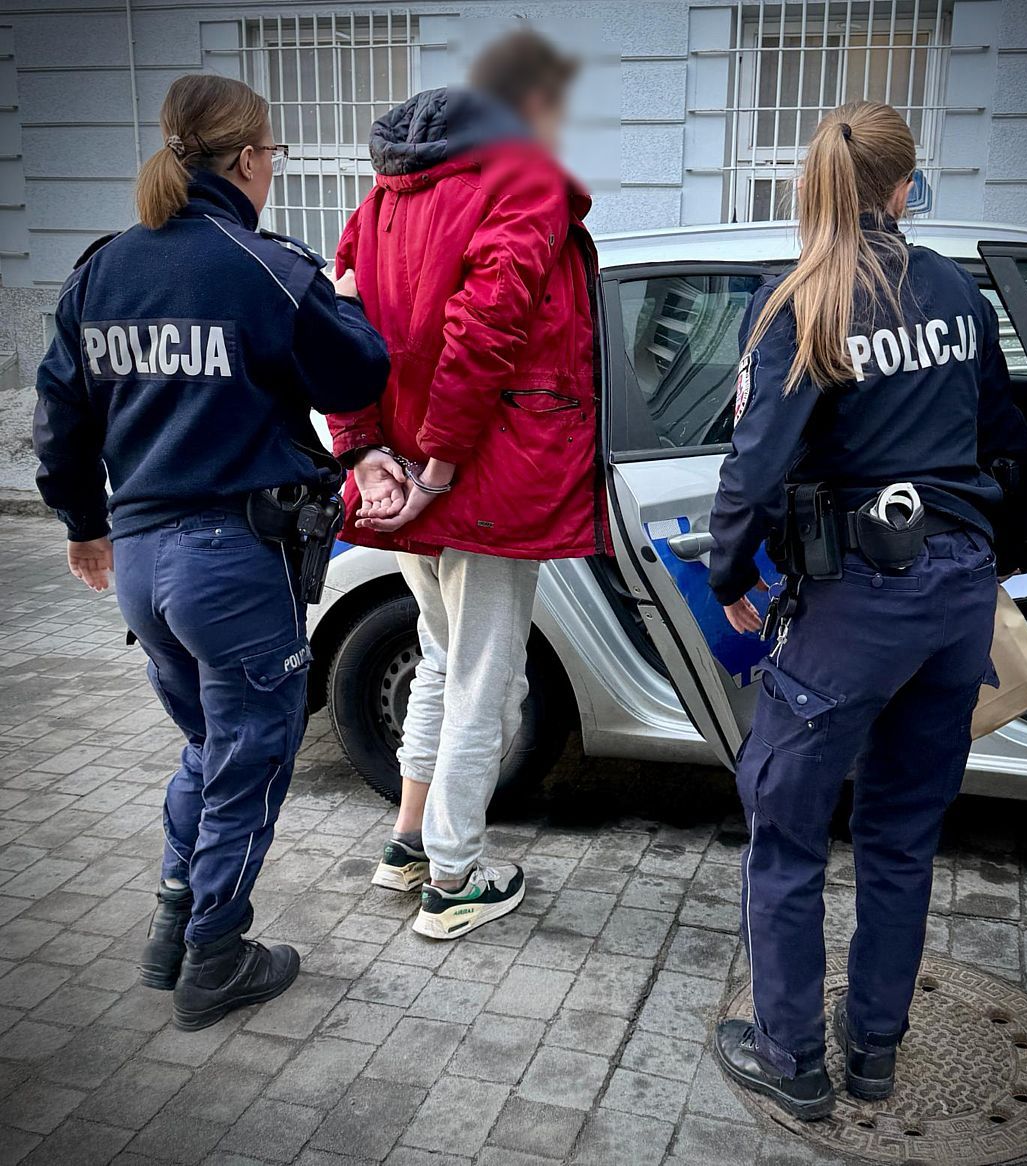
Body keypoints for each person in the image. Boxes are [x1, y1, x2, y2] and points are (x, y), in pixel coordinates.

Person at [32, 74, 390, 1029]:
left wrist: (81, 524)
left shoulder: (101, 269)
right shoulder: (262, 266)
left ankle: (173, 923)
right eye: (273, 154)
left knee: (209, 745)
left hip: (143, 562)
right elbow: (356, 372)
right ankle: (216, 958)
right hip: (230, 562)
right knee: (251, 756)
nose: (274, 169)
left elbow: (60, 419)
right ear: (247, 160)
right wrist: (346, 304)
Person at [708, 101, 1027, 1117]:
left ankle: (791, 1058)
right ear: (904, 187)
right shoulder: (957, 291)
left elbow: (752, 470)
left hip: (855, 602)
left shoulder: (802, 301)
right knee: (901, 836)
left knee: (784, 825)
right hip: (957, 596)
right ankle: (876, 1050)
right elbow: (1007, 442)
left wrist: (729, 575)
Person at [326, 28, 607, 941]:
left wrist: (368, 451)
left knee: (445, 659)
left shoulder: (385, 196)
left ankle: (408, 844)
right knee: (490, 679)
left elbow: (337, 329)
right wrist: (442, 463)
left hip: (406, 472)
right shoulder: (521, 182)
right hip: (485, 472)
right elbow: (487, 326)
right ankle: (454, 879)